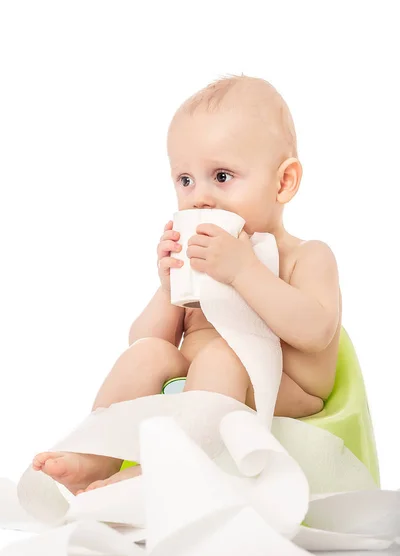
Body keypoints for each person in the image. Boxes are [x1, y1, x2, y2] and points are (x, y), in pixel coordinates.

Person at [32, 74, 341, 495]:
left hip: (285, 390)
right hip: (196, 385)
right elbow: (145, 341)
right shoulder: (201, 258)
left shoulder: (307, 256)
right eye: (186, 180)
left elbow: (317, 332)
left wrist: (244, 271)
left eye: (223, 176)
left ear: (283, 182)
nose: (200, 198)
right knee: (147, 356)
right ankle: (96, 454)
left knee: (222, 356)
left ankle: (168, 468)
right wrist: (167, 287)